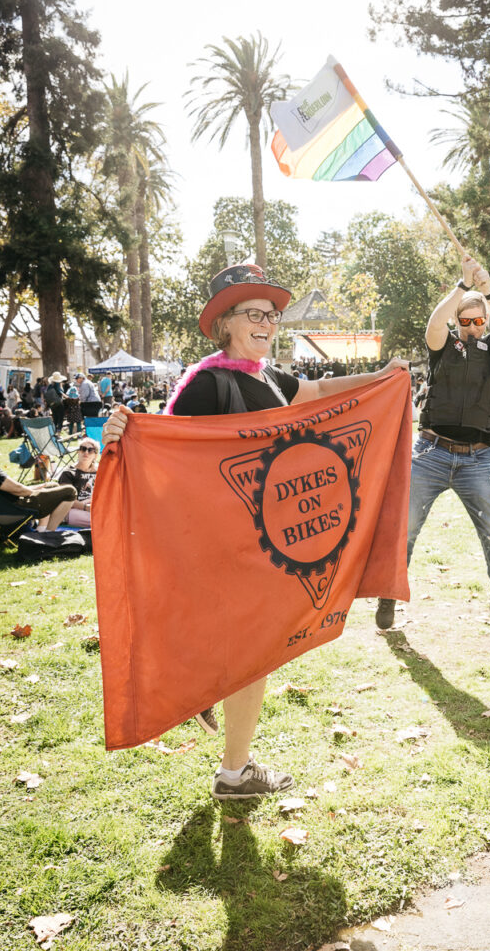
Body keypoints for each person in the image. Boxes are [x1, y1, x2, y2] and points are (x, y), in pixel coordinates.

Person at [101, 263, 408, 801]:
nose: (267, 321)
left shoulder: (268, 378)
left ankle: (211, 703)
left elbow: (315, 388)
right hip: (225, 547)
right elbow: (169, 451)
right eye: (254, 313)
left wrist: (383, 377)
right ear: (224, 323)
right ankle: (232, 767)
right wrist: (127, 431)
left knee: (253, 648)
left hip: (261, 545)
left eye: (272, 313)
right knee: (251, 650)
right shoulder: (206, 382)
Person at [375, 254, 490, 639]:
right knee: (405, 529)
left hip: (479, 458)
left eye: (479, 320)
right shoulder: (442, 346)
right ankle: (388, 595)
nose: (473, 326)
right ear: (457, 322)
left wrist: (489, 290)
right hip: (431, 452)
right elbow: (433, 325)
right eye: (465, 320)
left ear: (486, 322)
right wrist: (462, 286)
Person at [0, 465, 76, 531]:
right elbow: (18, 489)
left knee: (52, 486)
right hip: (14, 509)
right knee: (70, 492)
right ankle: (48, 534)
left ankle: (41, 528)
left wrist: (38, 488)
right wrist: (39, 492)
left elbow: (13, 489)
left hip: (7, 507)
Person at [56, 438, 100, 527]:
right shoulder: (68, 473)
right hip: (75, 509)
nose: (86, 452)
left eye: (90, 450)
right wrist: (86, 507)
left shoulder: (100, 472)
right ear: (78, 452)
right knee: (100, 520)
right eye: (83, 449)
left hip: (96, 506)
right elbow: (66, 499)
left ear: (95, 455)